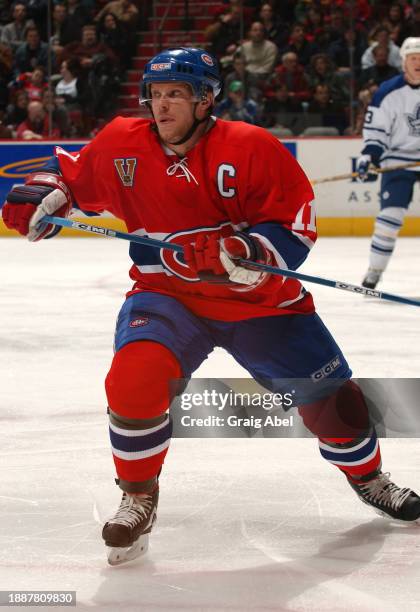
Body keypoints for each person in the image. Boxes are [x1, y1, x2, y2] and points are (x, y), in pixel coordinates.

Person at [3, 47, 420, 567]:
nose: (163, 106)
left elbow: (295, 225)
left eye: (176, 94)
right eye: (155, 95)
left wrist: (246, 254)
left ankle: (370, 478)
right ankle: (139, 496)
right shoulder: (120, 143)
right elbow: (72, 176)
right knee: (133, 382)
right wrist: (45, 192)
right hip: (168, 297)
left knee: (338, 404)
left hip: (260, 303)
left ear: (205, 100)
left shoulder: (252, 147)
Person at [356, 37, 420, 289]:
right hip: (399, 159)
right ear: (403, 62)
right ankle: (374, 272)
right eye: (413, 58)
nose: (418, 63)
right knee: (389, 218)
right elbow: (376, 132)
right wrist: (369, 156)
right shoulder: (387, 92)